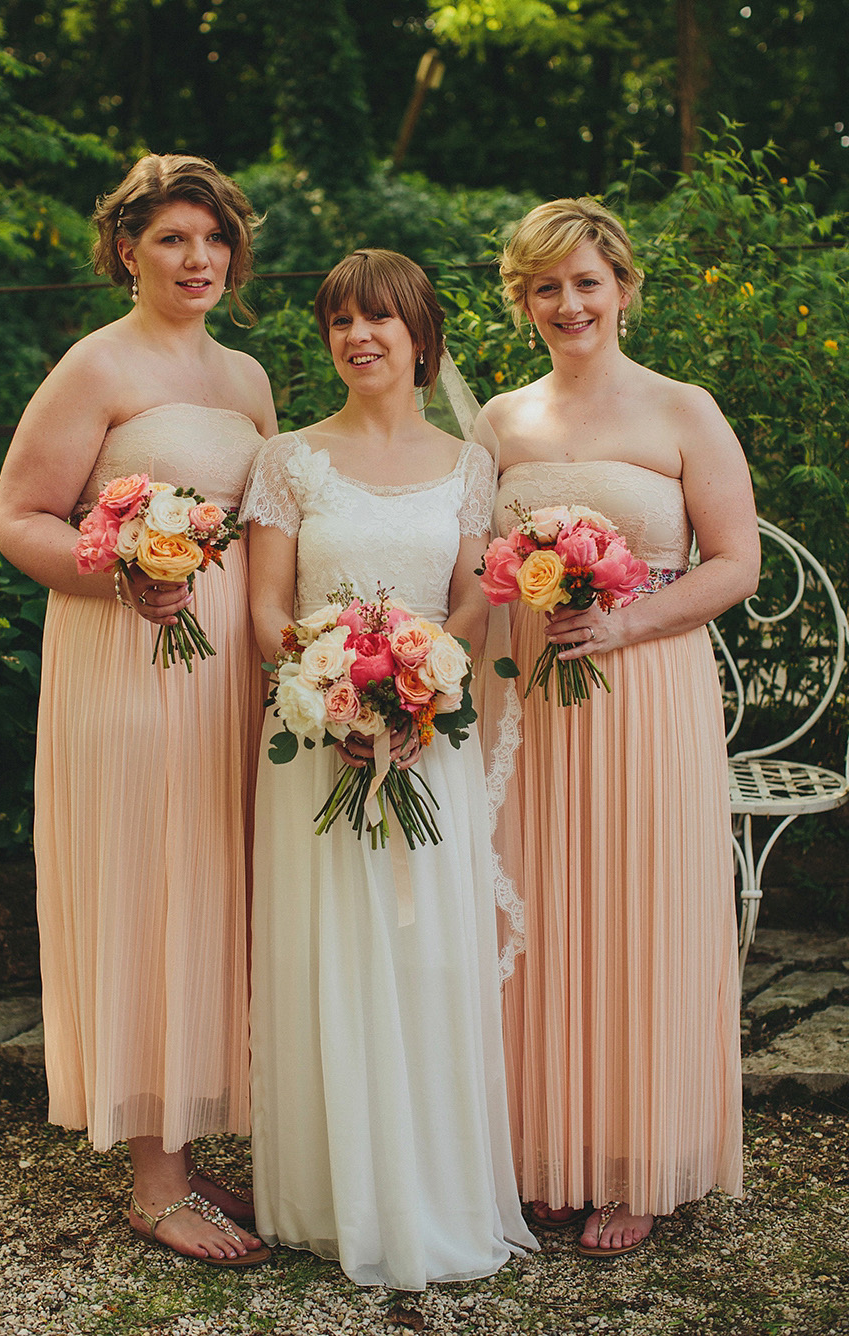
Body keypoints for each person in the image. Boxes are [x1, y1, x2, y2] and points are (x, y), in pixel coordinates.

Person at [0, 153, 277, 1265]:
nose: (198, 259)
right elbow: (20, 516)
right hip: (128, 664)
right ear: (128, 250)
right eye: (172, 239)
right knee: (150, 887)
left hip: (225, 682)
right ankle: (154, 1188)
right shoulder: (95, 366)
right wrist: (117, 573)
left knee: (211, 888)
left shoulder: (248, 380)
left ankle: (187, 1147)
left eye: (214, 239)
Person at [243, 249, 535, 1288]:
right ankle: (331, 1195)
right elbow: (267, 609)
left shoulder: (469, 465)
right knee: (326, 952)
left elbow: (471, 600)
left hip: (428, 737)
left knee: (427, 959)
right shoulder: (287, 459)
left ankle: (436, 1193)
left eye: (379, 319)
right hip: (315, 746)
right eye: (339, 321)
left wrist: (420, 689)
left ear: (421, 336)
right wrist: (328, 696)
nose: (357, 337)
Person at [480, 198, 759, 1257]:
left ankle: (638, 1158)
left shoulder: (684, 410)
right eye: (545, 287)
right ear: (523, 302)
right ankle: (546, 1153)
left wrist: (628, 618)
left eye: (586, 282)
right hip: (530, 697)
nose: (568, 303)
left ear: (625, 289)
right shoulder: (503, 422)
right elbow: (471, 562)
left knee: (638, 908)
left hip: (646, 692)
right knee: (538, 909)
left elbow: (737, 562)